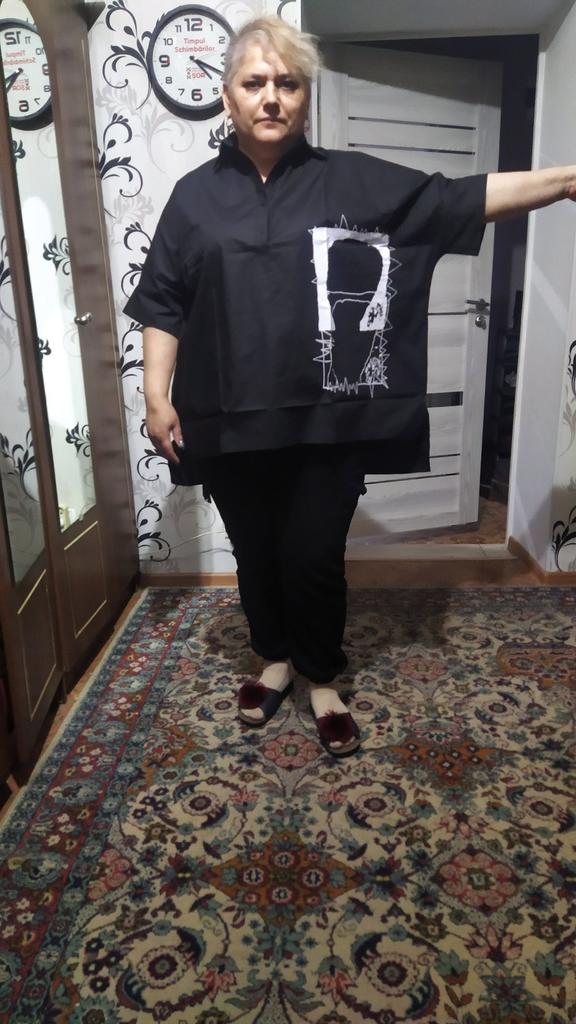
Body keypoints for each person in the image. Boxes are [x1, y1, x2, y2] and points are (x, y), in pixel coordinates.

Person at [124, 16, 576, 757]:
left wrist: (564, 180)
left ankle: (322, 675)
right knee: (255, 552)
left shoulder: (352, 182)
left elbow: (457, 198)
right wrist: (155, 394)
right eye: (254, 83)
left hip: (326, 423)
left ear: (306, 95)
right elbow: (163, 303)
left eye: (287, 83)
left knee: (312, 556)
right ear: (228, 98)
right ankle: (274, 659)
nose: (271, 97)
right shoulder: (193, 199)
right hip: (226, 420)